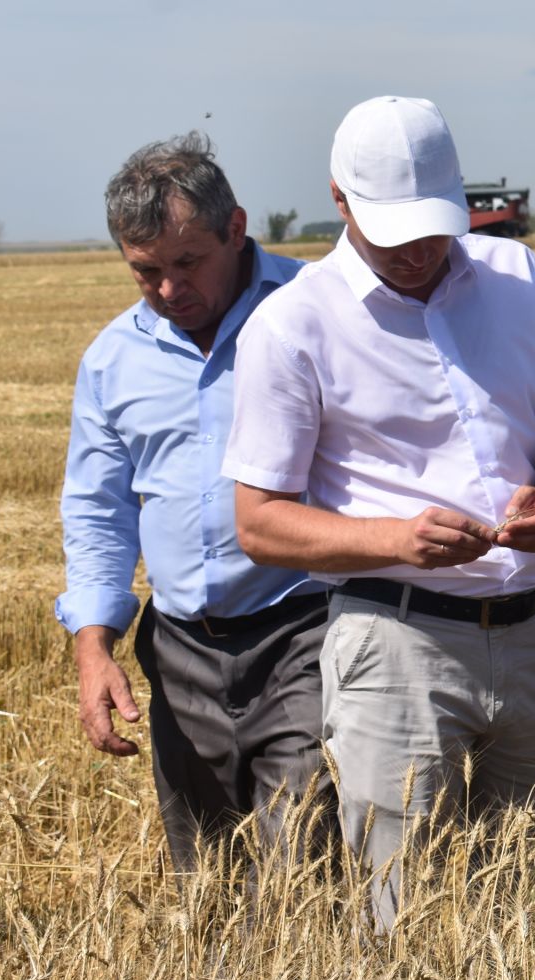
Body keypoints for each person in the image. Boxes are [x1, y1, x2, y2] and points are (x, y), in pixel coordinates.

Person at [223, 96, 535, 932]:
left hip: (534, 632)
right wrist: (395, 540)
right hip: (394, 643)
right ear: (340, 201)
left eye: (433, 227)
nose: (419, 252)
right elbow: (259, 521)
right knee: (410, 913)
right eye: (393, 233)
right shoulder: (292, 324)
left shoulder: (517, 279)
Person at [57, 132, 332, 877]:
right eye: (146, 272)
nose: (171, 290)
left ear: (236, 229)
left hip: (307, 631)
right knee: (207, 882)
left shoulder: (320, 312)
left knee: (302, 873)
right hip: (178, 651)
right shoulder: (113, 360)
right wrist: (94, 648)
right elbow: (98, 512)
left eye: (187, 264)